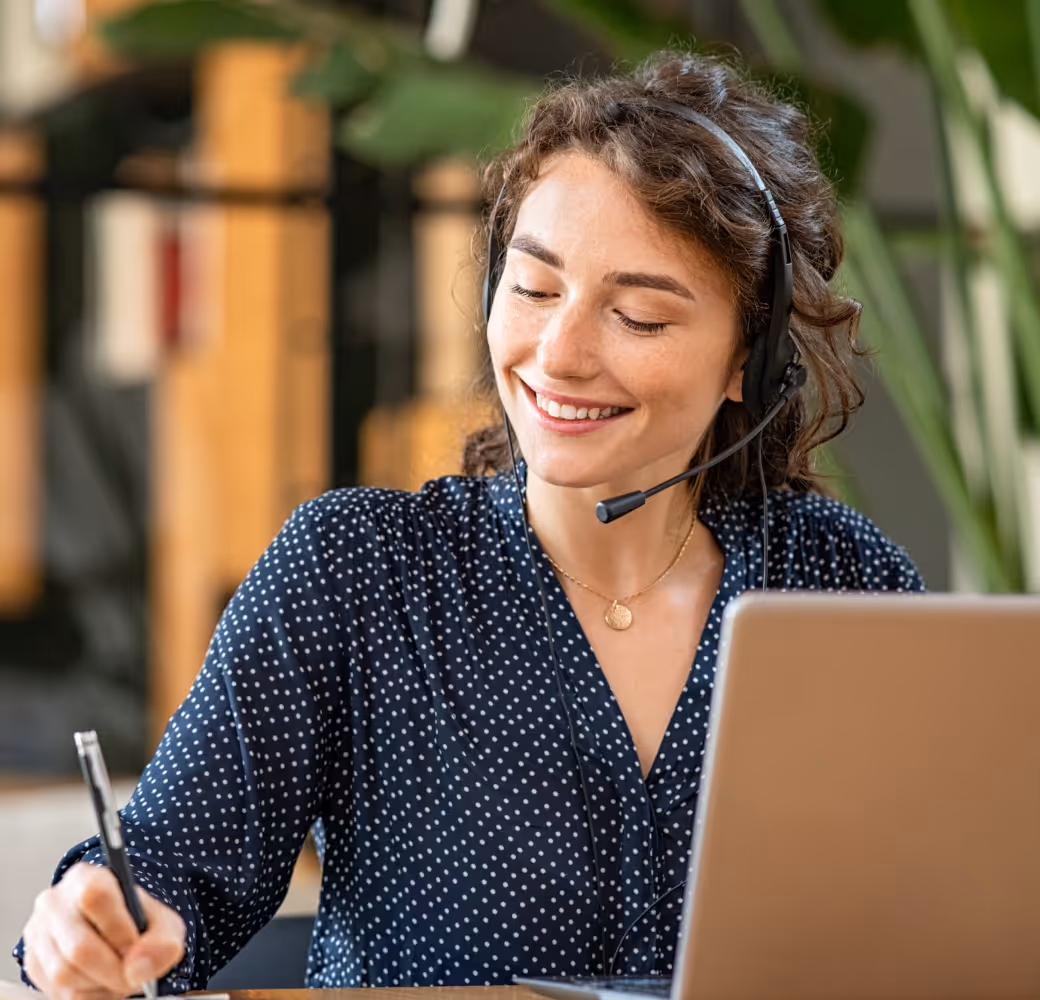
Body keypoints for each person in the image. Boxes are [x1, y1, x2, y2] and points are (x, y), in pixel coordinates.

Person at [16, 49, 924, 997]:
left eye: (640, 318)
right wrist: (89, 929)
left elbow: (941, 909)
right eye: (533, 290)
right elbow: (161, 882)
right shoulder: (357, 573)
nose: (558, 354)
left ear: (752, 360)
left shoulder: (842, 586)